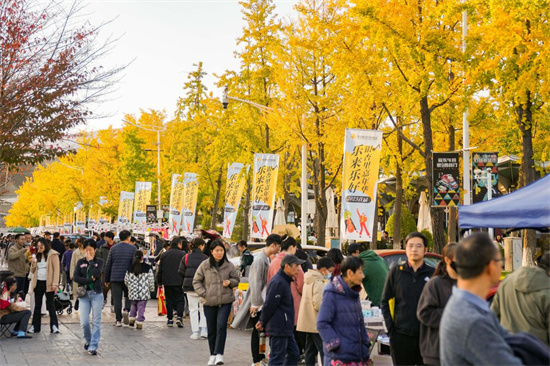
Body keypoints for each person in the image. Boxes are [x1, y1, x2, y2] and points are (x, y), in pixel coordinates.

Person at [440, 233, 522, 365]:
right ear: (490, 266)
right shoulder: (472, 321)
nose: (501, 267)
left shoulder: (467, 304)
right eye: (499, 261)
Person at [380, 232, 434, 366]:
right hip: (401, 335)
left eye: (418, 246)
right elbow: (385, 301)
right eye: (410, 246)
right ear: (406, 249)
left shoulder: (433, 274)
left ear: (425, 250)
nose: (414, 249)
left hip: (427, 336)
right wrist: (391, 330)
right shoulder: (396, 272)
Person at [193, 240, 240, 366]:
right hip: (209, 302)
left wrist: (230, 282)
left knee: (221, 326)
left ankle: (219, 354)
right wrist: (204, 293)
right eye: (217, 250)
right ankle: (212, 354)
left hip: (225, 301)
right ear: (211, 252)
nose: (219, 253)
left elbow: (236, 279)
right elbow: (196, 281)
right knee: (211, 330)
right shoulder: (205, 265)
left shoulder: (229, 265)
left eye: (221, 250)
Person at [317, 256, 371, 365]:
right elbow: (322, 323)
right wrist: (335, 344)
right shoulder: (332, 293)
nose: (363, 276)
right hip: (340, 358)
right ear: (350, 273)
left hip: (356, 356)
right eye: (360, 272)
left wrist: (365, 343)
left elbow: (359, 324)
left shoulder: (353, 293)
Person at [491, 251, 550, 346]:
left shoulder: (506, 282)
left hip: (508, 349)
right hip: (539, 354)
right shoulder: (547, 292)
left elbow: (492, 318)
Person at [258, 254, 305, 366]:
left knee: (294, 353)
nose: (298, 269)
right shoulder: (278, 282)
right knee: (277, 359)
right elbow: (269, 304)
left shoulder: (285, 280)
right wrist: (262, 321)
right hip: (279, 327)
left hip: (285, 327)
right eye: (296, 266)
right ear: (287, 266)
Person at [416, 243, 458, 365]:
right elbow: (424, 313)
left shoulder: (466, 284)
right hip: (437, 352)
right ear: (447, 260)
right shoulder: (435, 284)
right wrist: (453, 314)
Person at [246, 234, 282, 366]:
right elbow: (255, 282)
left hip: (262, 301)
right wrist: (255, 303)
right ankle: (256, 359)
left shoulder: (265, 258)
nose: (279, 249)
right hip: (259, 303)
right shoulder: (260, 260)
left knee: (261, 332)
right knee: (257, 332)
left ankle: (260, 357)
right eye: (278, 246)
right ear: (273, 245)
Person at [267, 236, 305, 357]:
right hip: (292, 303)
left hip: (276, 307)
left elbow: (268, 282)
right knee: (291, 335)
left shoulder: (273, 262)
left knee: (284, 347)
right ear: (291, 247)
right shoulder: (294, 263)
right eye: (295, 248)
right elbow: (301, 285)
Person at [296, 257, 335, 366]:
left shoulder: (308, 279)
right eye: (330, 271)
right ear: (323, 269)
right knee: (323, 350)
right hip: (316, 322)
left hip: (307, 321)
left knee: (310, 349)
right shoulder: (318, 283)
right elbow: (318, 304)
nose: (330, 274)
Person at [73, 239, 104, 356]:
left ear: (95, 250)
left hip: (96, 294)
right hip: (84, 295)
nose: (88, 252)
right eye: (86, 250)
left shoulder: (99, 261)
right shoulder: (80, 262)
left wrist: (91, 262)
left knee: (96, 321)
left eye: (91, 250)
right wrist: (89, 280)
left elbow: (97, 274)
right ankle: (88, 340)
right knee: (84, 322)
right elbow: (76, 277)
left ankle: (93, 346)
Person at [104, 230, 136, 327]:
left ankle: (118, 320)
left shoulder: (113, 248)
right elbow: (134, 264)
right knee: (129, 296)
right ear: (128, 238)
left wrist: (106, 279)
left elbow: (108, 264)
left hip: (115, 277)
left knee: (117, 299)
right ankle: (126, 309)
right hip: (129, 277)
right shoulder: (133, 248)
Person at [28, 238, 60, 334]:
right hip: (38, 282)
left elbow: (56, 270)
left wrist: (55, 284)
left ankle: (54, 326)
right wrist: (33, 262)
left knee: (50, 304)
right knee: (37, 305)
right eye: (37, 247)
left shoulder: (53, 254)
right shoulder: (36, 255)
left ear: (45, 245)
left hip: (49, 283)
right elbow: (32, 270)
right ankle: (35, 326)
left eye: (41, 246)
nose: (39, 248)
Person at [178, 237, 208, 339]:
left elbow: (180, 271)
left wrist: (187, 276)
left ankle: (195, 332)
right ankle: (204, 330)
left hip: (189, 286)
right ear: (201, 246)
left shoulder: (186, 257)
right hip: (202, 287)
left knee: (193, 310)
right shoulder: (205, 258)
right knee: (203, 309)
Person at [157, 236, 186, 327]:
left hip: (167, 281)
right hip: (179, 281)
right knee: (180, 300)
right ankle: (179, 317)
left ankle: (170, 319)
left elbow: (160, 269)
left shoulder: (164, 254)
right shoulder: (183, 254)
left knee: (169, 300)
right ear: (179, 244)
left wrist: (159, 281)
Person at [124, 250, 155, 330]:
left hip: (133, 291)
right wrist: (151, 289)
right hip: (143, 292)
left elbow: (126, 280)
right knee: (141, 307)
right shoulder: (148, 267)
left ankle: (132, 318)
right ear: (142, 257)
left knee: (133, 305)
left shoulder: (130, 268)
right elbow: (151, 280)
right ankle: (139, 322)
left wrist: (130, 287)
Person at [95, 231, 115, 311]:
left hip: (114, 270)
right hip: (104, 270)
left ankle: (113, 304)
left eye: (106, 237)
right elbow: (99, 258)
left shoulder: (116, 246)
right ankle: (104, 299)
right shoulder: (102, 247)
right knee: (104, 287)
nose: (104, 238)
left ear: (110, 238)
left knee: (114, 287)